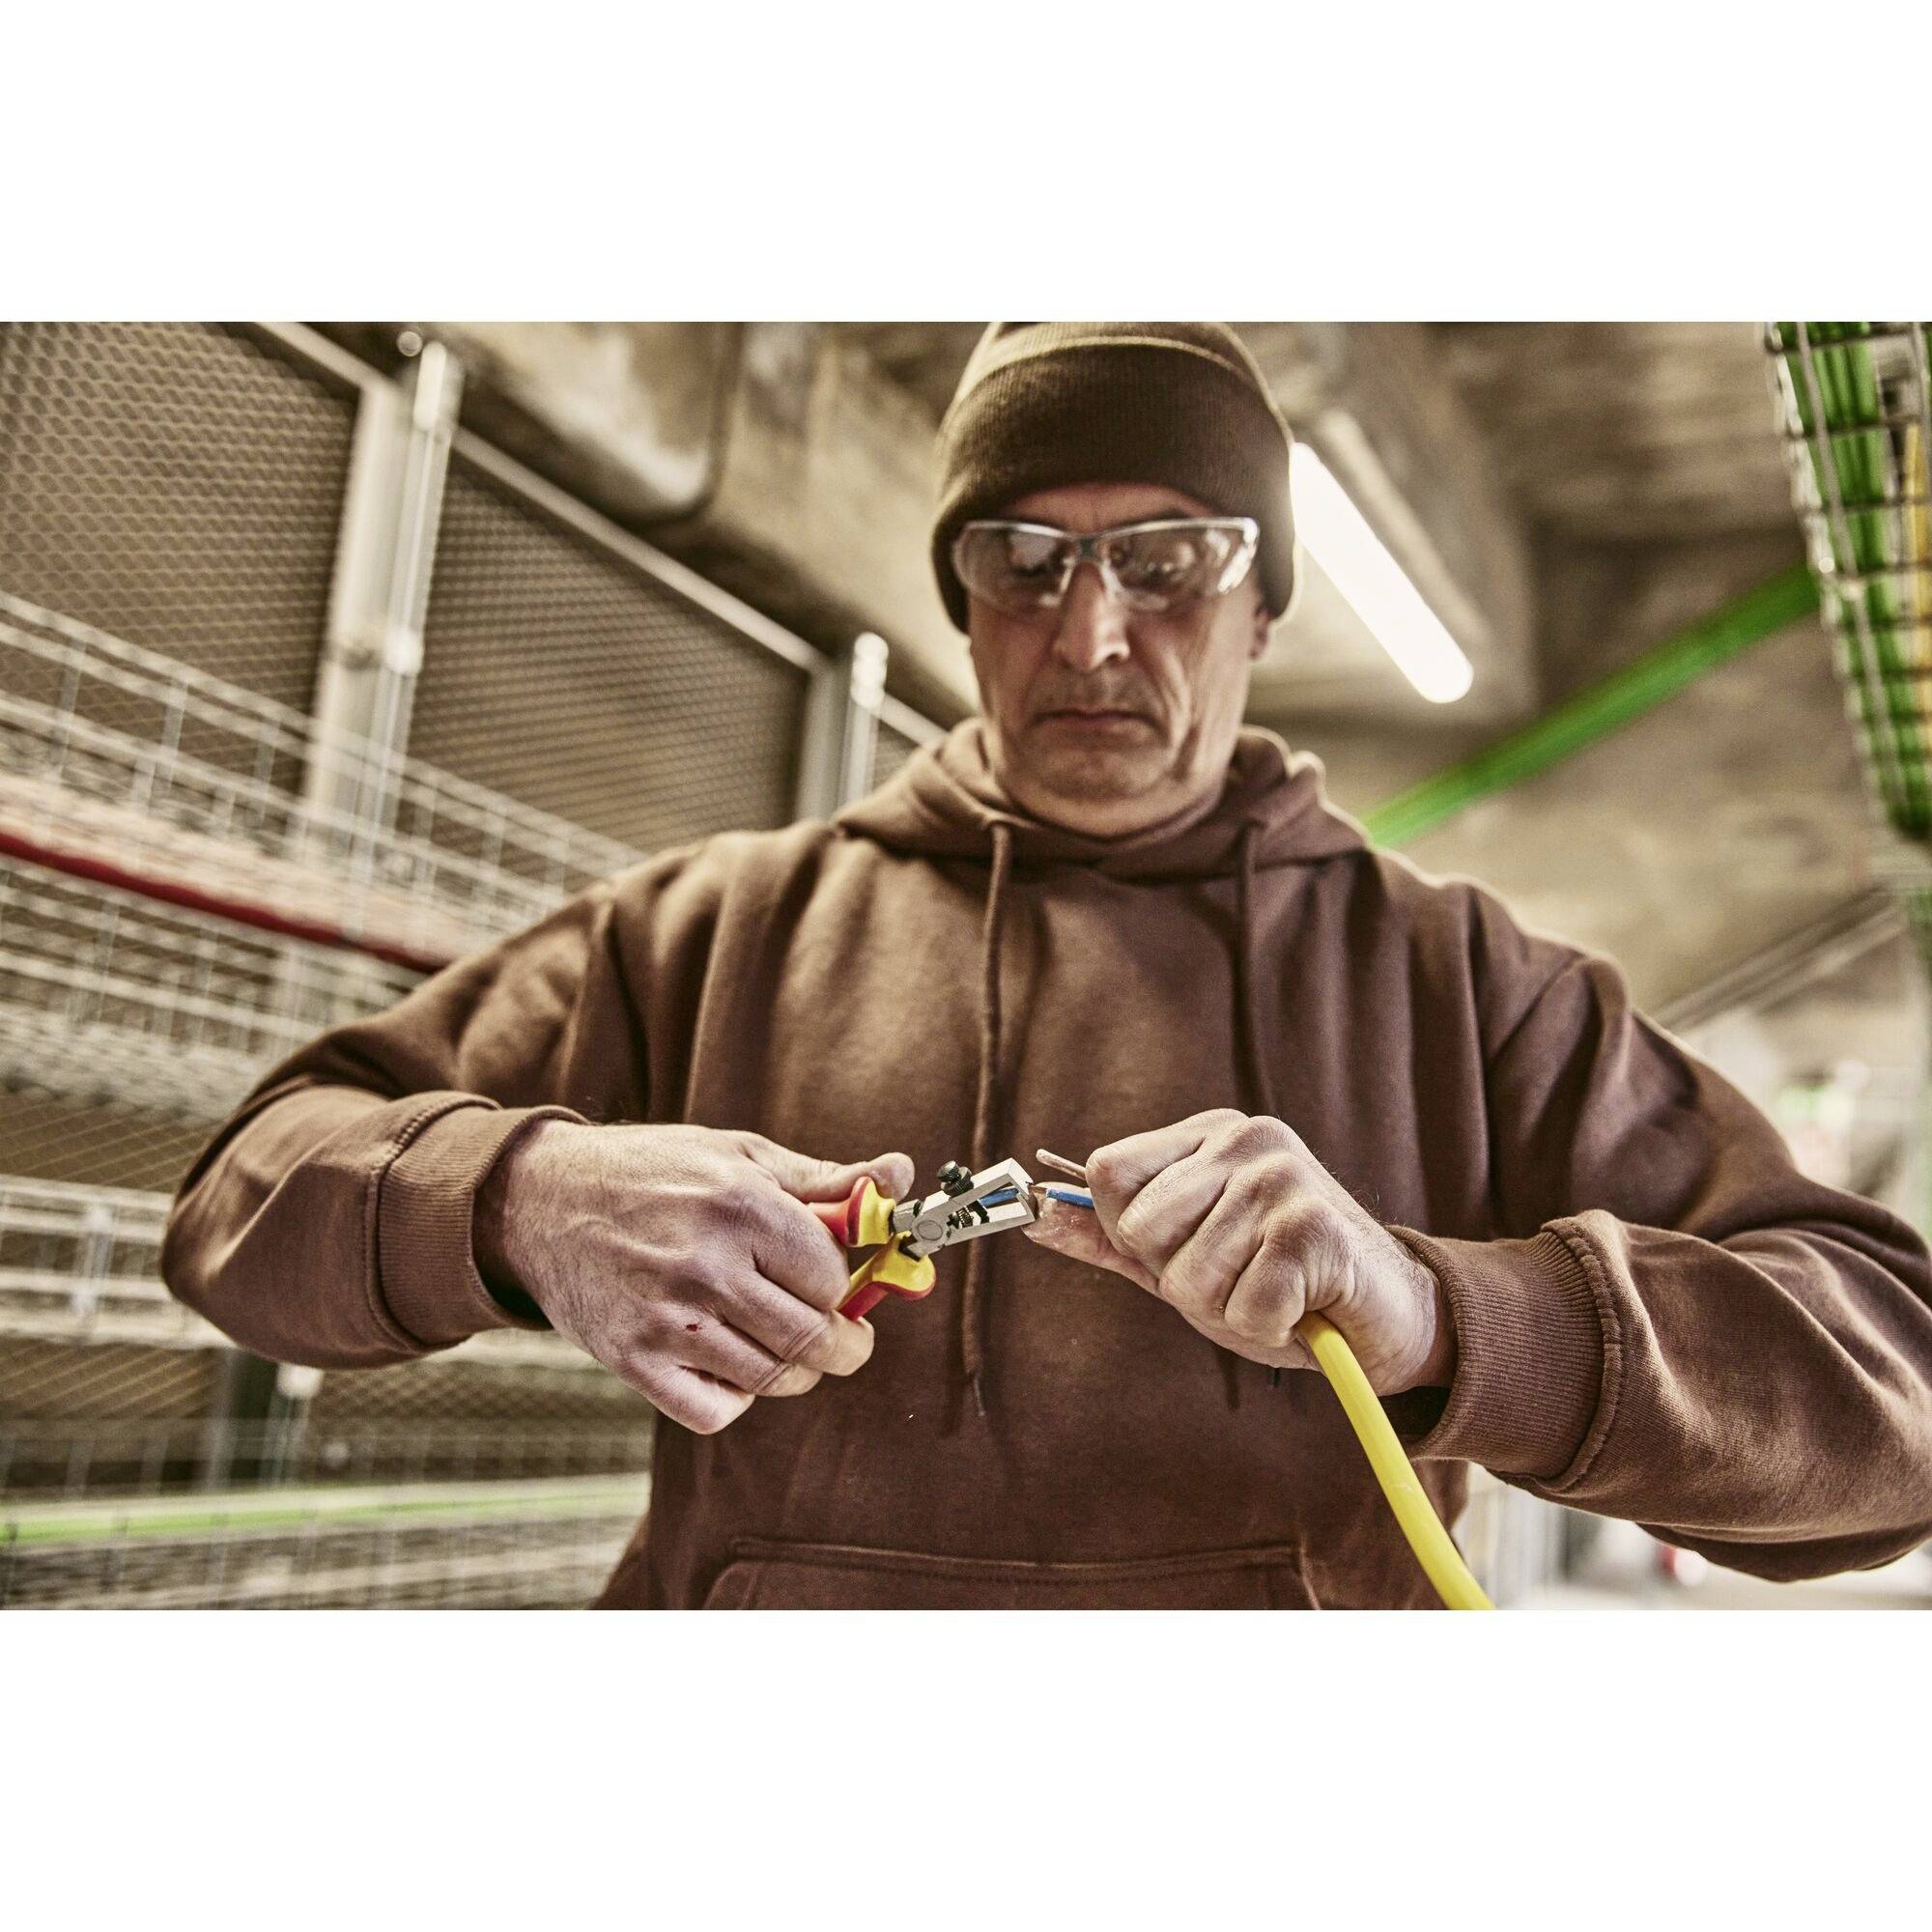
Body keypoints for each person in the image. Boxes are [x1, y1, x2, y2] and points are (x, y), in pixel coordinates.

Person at [162, 322, 1932, 1608]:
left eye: (1170, 562)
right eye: (1027, 559)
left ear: (1262, 604)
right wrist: (519, 1194)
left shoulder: (1462, 983)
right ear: (960, 596)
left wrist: (1436, 1309)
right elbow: (237, 1206)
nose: (1093, 631)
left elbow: (1891, 1405)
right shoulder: (707, 933)